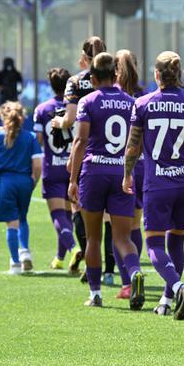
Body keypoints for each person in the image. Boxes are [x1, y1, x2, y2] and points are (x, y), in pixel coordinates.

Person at [125, 51, 184, 319]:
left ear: (156, 75)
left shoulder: (143, 104)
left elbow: (133, 146)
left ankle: (178, 287)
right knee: (177, 242)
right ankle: (167, 299)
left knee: (155, 245)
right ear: (179, 75)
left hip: (157, 183)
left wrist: (126, 175)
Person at [67, 52, 142, 309]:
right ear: (115, 75)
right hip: (121, 173)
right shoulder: (131, 102)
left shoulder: (88, 101)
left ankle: (96, 294)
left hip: (94, 172)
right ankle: (134, 274)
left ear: (93, 77)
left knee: (93, 238)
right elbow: (135, 143)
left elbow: (80, 141)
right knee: (122, 237)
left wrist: (73, 178)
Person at [52, 36, 107, 274]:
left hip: (86, 154)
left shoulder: (75, 81)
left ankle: (91, 265)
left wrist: (58, 121)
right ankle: (112, 270)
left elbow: (71, 119)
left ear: (84, 58)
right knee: (110, 215)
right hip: (114, 153)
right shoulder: (114, 80)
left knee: (78, 208)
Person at [0, 102, 42, 274]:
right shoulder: (31, 137)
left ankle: (15, 263)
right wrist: (33, 181)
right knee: (23, 217)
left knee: (11, 223)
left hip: (6, 182)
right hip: (25, 181)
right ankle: (25, 251)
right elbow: (37, 164)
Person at [107, 49, 145, 294]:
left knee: (117, 229)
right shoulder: (143, 96)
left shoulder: (110, 96)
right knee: (134, 226)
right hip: (142, 166)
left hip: (116, 167)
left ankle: (127, 282)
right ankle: (135, 272)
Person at [33, 67, 76, 271]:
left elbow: (39, 139)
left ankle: (74, 249)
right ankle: (60, 257)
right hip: (72, 167)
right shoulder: (76, 106)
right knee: (69, 216)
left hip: (52, 167)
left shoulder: (42, 109)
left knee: (58, 215)